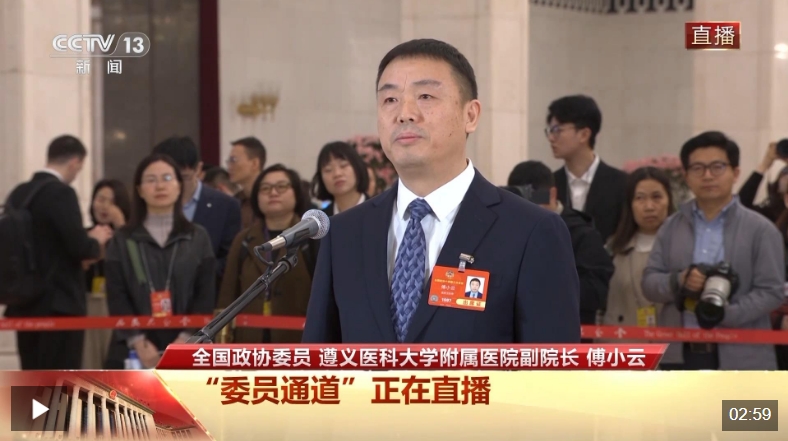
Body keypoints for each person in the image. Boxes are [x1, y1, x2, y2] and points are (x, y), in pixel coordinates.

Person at [303, 39, 580, 344]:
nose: (405, 114)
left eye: (425, 96)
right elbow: (318, 358)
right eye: (390, 100)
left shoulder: (531, 231)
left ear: (470, 115)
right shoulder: (344, 234)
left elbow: (552, 365)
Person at [642, 131, 784, 370]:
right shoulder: (671, 227)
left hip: (743, 358)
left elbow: (771, 292)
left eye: (717, 167)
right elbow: (649, 283)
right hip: (679, 356)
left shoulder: (761, 230)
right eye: (697, 168)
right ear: (686, 176)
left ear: (735, 173)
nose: (707, 175)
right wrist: (679, 280)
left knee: (746, 400)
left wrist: (723, 314)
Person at [4, 135, 113, 369]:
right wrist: (96, 239)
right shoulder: (62, 193)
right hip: (60, 304)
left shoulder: (19, 193)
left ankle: (33, 398)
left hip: (23, 302)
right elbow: (80, 248)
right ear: (75, 162)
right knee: (59, 379)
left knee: (31, 377)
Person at [104, 154, 216, 369]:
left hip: (189, 347)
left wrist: (186, 339)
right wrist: (137, 341)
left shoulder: (197, 237)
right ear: (139, 190)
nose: (160, 186)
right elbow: (116, 295)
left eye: (167, 178)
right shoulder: (123, 239)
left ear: (178, 186)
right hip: (132, 350)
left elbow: (205, 294)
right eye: (151, 180)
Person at [217, 164, 319, 343]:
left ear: (296, 193)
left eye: (281, 186)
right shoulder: (244, 240)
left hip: (299, 342)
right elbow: (227, 295)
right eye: (265, 188)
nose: (273, 193)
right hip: (249, 343)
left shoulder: (312, 239)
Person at [507, 160, 613, 327]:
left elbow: (596, 292)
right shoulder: (510, 231)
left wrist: (543, 286)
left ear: (552, 194)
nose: (527, 209)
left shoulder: (582, 234)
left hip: (565, 332)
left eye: (534, 199)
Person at [153, 136, 242, 284]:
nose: (176, 185)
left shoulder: (226, 206)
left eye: (183, 177)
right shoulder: (151, 204)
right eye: (168, 178)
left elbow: (230, 260)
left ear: (199, 169)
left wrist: (191, 271)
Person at [603, 167, 674, 336]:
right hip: (622, 343)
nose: (649, 207)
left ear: (669, 200)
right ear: (630, 204)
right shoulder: (613, 248)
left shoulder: (683, 245)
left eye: (656, 197)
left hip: (670, 342)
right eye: (640, 198)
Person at [547, 95, 627, 242]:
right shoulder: (548, 185)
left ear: (584, 134)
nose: (551, 138)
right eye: (550, 131)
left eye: (557, 130)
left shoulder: (622, 183)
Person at [82, 179, 131, 369]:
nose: (104, 207)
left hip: (117, 306)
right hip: (87, 307)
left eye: (112, 202)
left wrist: (121, 226)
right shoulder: (84, 235)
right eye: (100, 199)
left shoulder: (128, 237)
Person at [312, 141, 369, 216]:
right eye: (328, 170)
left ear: (357, 167)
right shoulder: (322, 220)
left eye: (343, 165)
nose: (337, 174)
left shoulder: (380, 209)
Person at [227, 137, 266, 228]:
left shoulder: (270, 198)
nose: (229, 167)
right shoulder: (236, 201)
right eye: (229, 161)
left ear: (254, 163)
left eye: (234, 160)